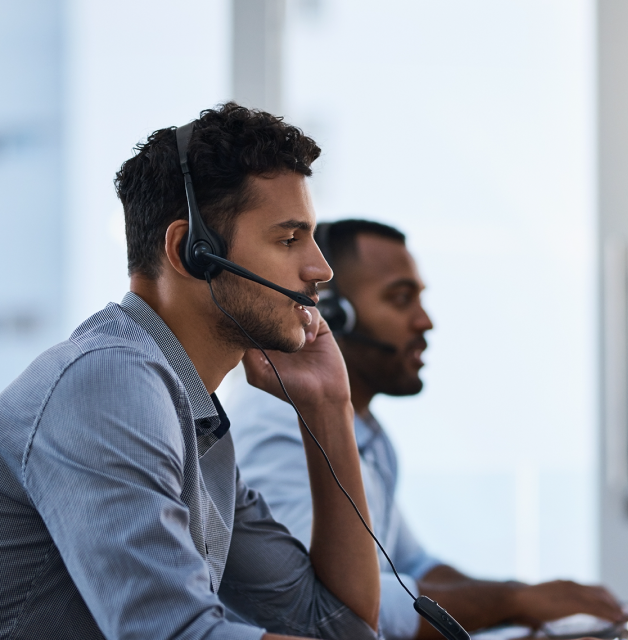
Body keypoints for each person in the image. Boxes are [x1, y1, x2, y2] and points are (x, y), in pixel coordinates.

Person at [0, 106, 381, 639]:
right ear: (191, 252)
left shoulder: (198, 430)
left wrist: (327, 408)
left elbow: (339, 626)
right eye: (289, 239)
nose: (321, 270)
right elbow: (174, 633)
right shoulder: (107, 382)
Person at [227, 218, 626, 640]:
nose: (424, 322)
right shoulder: (277, 420)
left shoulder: (368, 434)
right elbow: (335, 608)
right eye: (400, 299)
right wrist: (513, 601)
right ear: (331, 315)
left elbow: (413, 567)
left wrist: (534, 605)